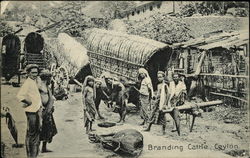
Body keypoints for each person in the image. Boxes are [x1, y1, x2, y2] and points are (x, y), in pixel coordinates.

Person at [16, 64, 42, 158]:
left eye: (36, 72)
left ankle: (33, 154)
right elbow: (20, 96)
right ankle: (32, 155)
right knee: (32, 134)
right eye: (33, 73)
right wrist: (28, 102)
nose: (35, 74)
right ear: (28, 73)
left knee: (35, 133)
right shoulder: (28, 82)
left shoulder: (33, 82)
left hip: (36, 110)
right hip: (31, 112)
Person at [37, 69, 57, 153]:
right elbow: (37, 97)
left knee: (48, 128)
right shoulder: (40, 86)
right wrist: (40, 106)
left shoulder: (47, 86)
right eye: (50, 78)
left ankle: (44, 148)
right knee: (40, 129)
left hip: (48, 110)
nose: (51, 80)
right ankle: (37, 149)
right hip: (42, 110)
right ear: (47, 78)